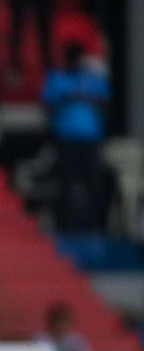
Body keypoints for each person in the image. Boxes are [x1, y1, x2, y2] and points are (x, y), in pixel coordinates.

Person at [42, 43, 110, 231]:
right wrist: (68, 96)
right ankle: (65, 225)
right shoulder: (57, 77)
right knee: (66, 181)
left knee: (93, 182)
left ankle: (95, 224)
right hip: (66, 137)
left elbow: (105, 102)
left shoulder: (93, 79)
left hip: (91, 137)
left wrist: (86, 97)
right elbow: (48, 104)